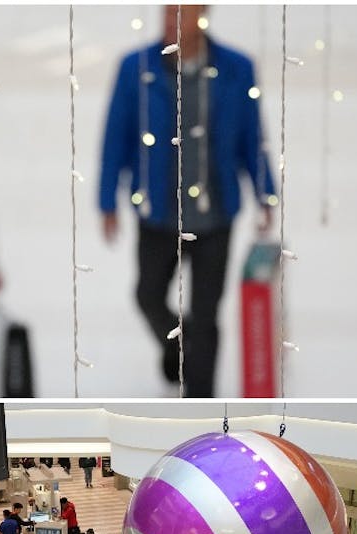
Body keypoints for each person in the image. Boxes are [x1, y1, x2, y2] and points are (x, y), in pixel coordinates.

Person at [99, 5, 275, 397]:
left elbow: (251, 135)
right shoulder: (136, 68)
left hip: (216, 216)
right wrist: (106, 200)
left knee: (207, 313)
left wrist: (266, 194)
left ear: (203, 14)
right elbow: (116, 136)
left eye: (185, 11)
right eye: (168, 11)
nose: (174, 19)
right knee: (148, 294)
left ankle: (199, 398)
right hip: (158, 213)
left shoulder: (236, 68)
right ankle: (177, 346)